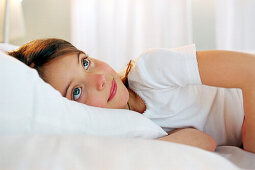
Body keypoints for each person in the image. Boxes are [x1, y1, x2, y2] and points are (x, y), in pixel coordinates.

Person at [8, 38, 255, 153]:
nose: (100, 79)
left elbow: (250, 70)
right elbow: (202, 141)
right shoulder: (127, 130)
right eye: (77, 91)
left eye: (85, 63)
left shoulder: (151, 70)